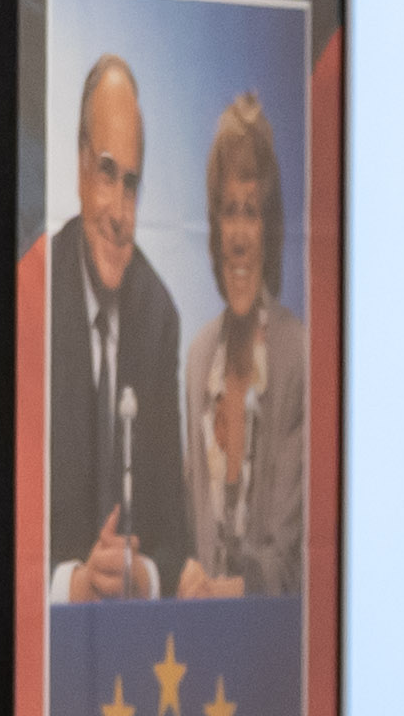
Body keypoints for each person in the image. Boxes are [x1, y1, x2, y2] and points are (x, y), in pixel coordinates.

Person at [44, 53, 187, 600]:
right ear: (81, 165)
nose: (120, 212)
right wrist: (70, 584)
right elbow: (0, 507)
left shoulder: (158, 318)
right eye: (107, 173)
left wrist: (141, 573)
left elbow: (173, 535)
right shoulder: (36, 289)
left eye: (132, 184)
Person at [174, 88, 306, 600]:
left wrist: (224, 592)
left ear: (270, 230)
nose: (239, 236)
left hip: (272, 638)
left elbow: (291, 565)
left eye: (252, 212)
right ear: (214, 229)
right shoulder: (198, 360)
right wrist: (187, 574)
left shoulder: (298, 358)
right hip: (200, 639)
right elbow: (189, 540)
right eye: (229, 211)